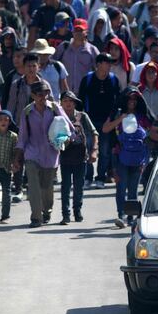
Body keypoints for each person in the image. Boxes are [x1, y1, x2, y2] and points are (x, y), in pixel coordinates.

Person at [14, 81, 71, 228]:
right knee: (33, 186)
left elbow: (68, 126)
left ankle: (47, 210)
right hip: (32, 154)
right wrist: (17, 159)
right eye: (40, 94)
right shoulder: (27, 112)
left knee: (47, 188)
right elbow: (22, 137)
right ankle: (36, 217)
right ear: (33, 95)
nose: (43, 97)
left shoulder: (54, 108)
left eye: (46, 93)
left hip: (51, 154)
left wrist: (69, 137)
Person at [104, 88, 152, 228]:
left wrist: (146, 159)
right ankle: (121, 215)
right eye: (129, 99)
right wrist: (120, 119)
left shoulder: (142, 117)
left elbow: (150, 134)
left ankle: (131, 217)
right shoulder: (117, 114)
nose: (132, 102)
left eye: (135, 99)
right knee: (121, 187)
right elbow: (106, 129)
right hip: (120, 157)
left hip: (138, 158)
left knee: (133, 189)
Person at [78, 53, 121, 189]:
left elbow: (117, 101)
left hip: (107, 122)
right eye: (106, 62)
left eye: (110, 63)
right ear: (98, 64)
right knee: (88, 148)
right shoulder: (88, 79)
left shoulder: (114, 80)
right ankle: (87, 177)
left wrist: (111, 118)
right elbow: (80, 100)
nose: (109, 65)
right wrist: (81, 118)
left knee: (105, 150)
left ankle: (100, 178)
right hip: (89, 120)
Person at [59, 91, 98, 224]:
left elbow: (94, 133)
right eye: (65, 100)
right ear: (61, 103)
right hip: (64, 157)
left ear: (75, 103)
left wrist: (94, 150)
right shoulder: (58, 117)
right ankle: (65, 214)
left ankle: (77, 211)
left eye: (71, 101)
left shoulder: (82, 116)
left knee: (78, 186)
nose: (68, 103)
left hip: (81, 157)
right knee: (65, 187)